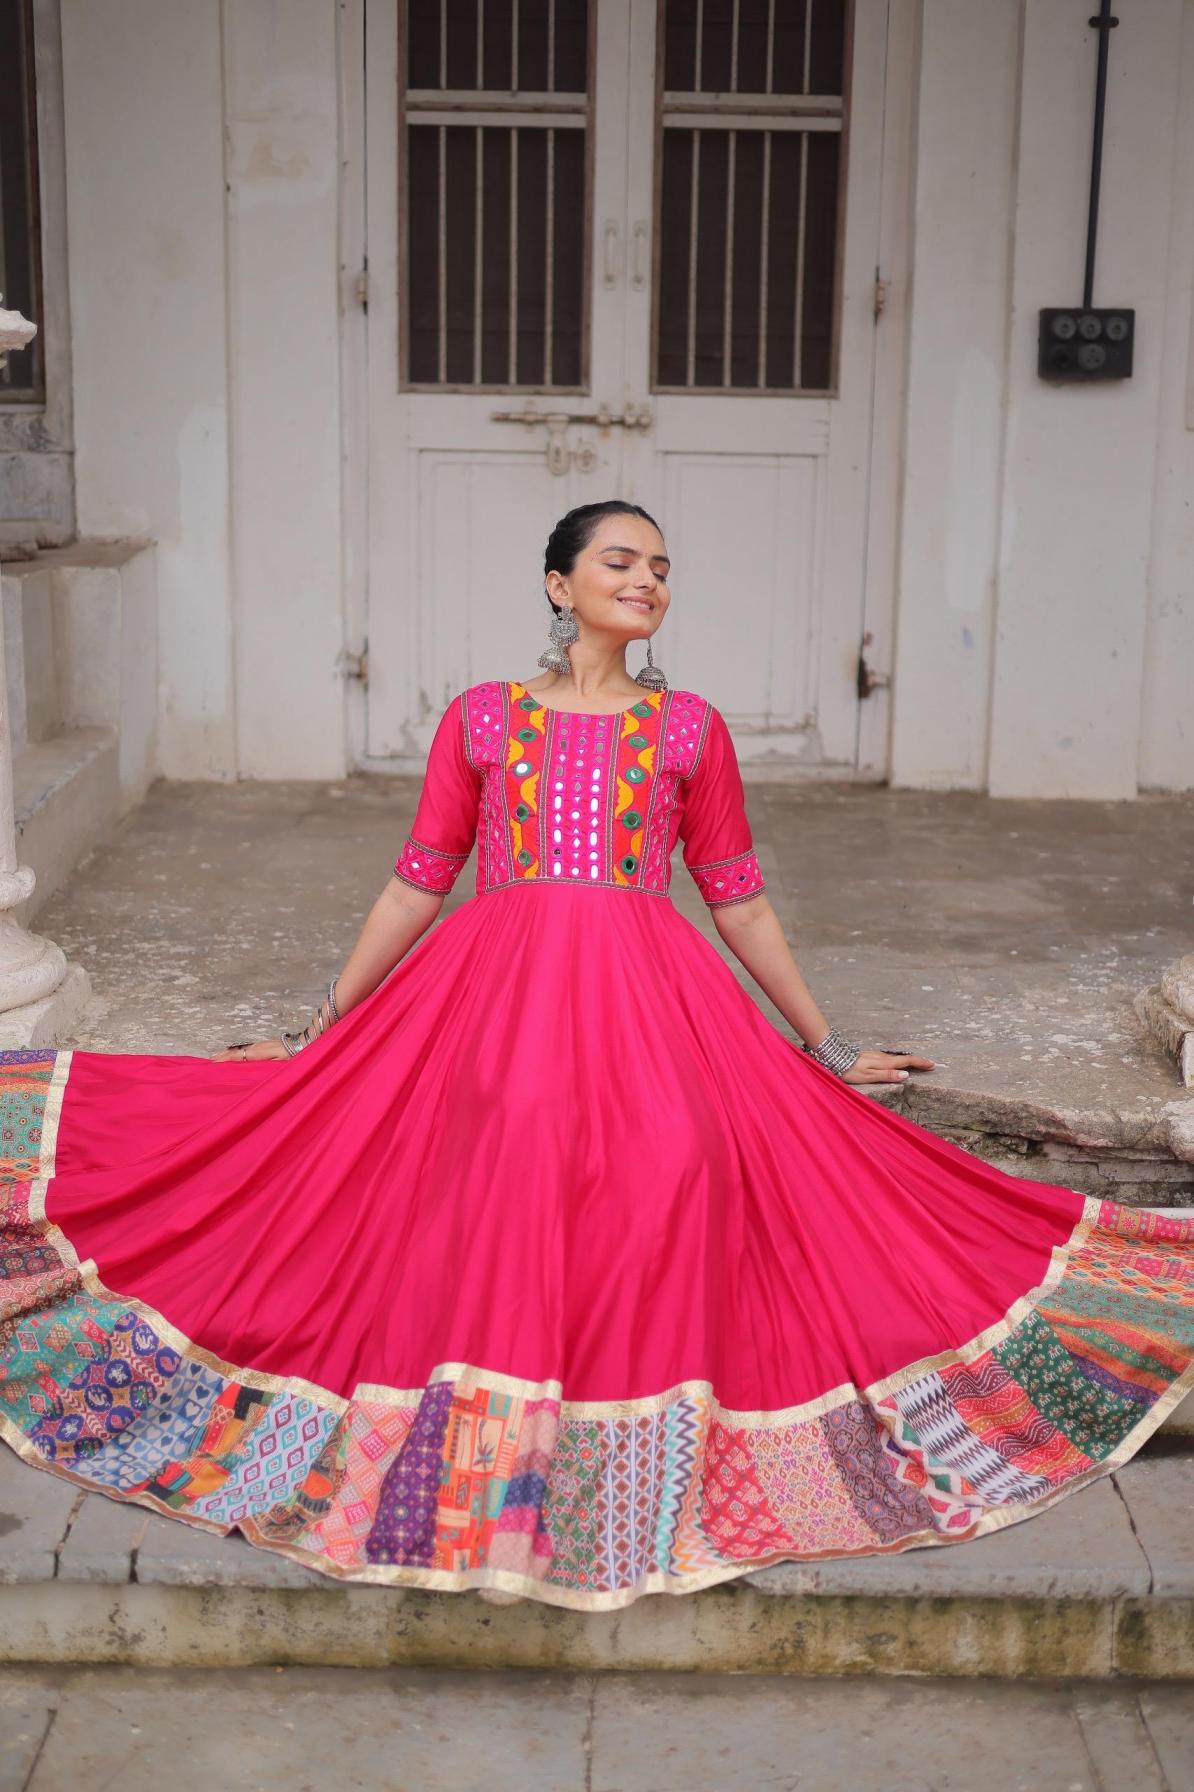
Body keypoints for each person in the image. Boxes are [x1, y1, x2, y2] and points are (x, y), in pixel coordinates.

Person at [1, 499, 1191, 1612]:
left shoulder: (689, 729)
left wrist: (826, 1047)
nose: (647, 581)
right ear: (558, 585)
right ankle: (484, 1455)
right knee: (496, 1148)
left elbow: (737, 897)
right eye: (621, 562)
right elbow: (419, 880)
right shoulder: (482, 717)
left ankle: (627, 1449)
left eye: (661, 568)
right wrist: (316, 1028)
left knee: (676, 1159)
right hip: (494, 988)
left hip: (649, 991)